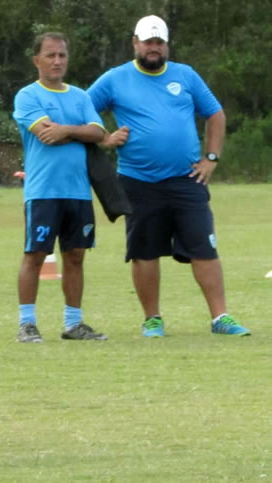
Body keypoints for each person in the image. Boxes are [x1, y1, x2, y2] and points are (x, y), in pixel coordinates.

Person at [87, 15, 250, 337]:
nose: (153, 48)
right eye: (148, 42)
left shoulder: (185, 75)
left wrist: (211, 158)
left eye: (159, 42)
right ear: (135, 42)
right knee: (145, 251)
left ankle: (221, 318)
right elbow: (82, 110)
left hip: (187, 179)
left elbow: (215, 114)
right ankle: (152, 319)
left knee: (204, 247)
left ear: (166, 45)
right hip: (138, 180)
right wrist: (103, 138)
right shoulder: (115, 79)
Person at [12, 32, 108, 343]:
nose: (57, 61)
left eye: (62, 55)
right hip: (43, 192)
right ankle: (27, 323)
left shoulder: (81, 96)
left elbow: (98, 131)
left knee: (76, 255)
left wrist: (67, 129)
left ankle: (73, 323)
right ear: (36, 60)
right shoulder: (28, 96)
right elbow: (45, 135)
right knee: (36, 255)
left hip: (78, 191)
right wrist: (82, 132)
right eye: (50, 55)